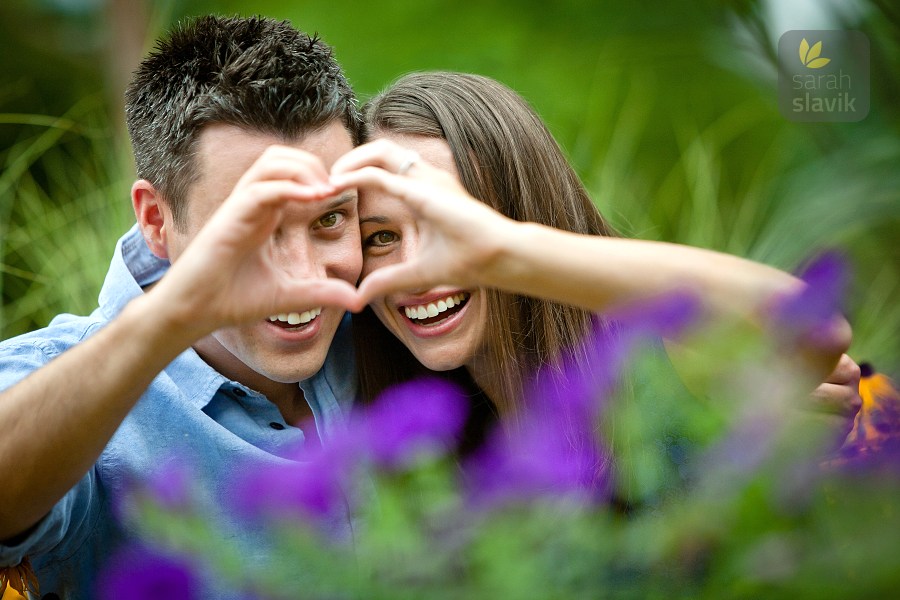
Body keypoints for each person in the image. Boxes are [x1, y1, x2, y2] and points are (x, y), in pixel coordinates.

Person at [0, 16, 363, 598]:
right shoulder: (58, 383)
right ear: (155, 221)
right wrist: (174, 312)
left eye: (329, 220)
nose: (303, 278)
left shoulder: (392, 327)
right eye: (252, 228)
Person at [330, 71, 860, 450]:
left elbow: (814, 327)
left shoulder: (658, 361)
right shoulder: (406, 435)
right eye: (380, 238)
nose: (417, 265)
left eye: (452, 222)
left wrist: (504, 251)